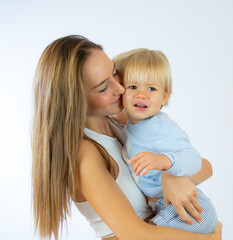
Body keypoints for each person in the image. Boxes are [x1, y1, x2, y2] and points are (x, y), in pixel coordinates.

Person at [32, 35, 222, 240]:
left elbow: (205, 166)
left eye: (115, 73)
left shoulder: (124, 121)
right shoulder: (85, 154)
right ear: (75, 100)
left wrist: (169, 176)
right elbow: (135, 235)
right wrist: (211, 238)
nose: (120, 88)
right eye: (104, 87)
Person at [113, 49, 217, 233]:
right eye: (133, 87)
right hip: (163, 205)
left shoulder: (160, 127)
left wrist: (163, 161)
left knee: (147, 233)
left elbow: (192, 158)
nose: (142, 95)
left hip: (189, 207)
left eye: (151, 88)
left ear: (165, 96)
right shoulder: (131, 124)